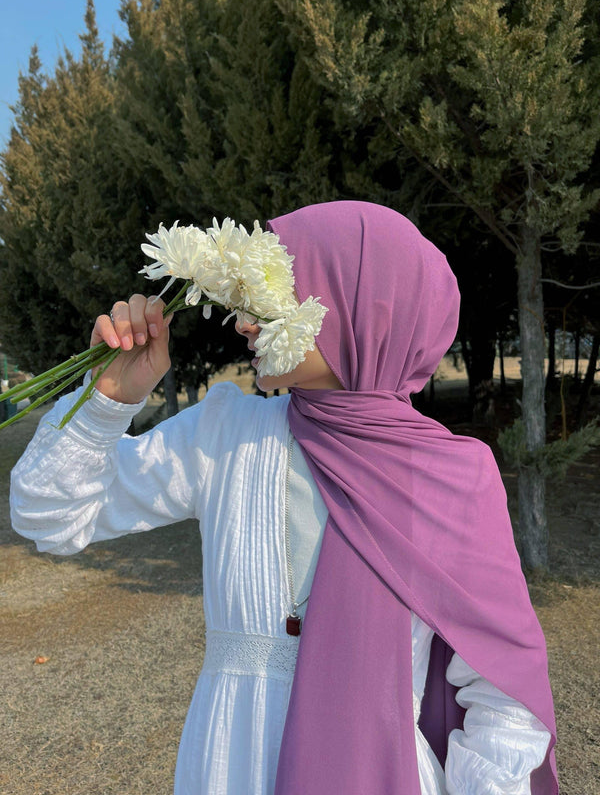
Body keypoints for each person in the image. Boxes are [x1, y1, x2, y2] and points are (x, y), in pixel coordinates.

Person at [10, 201, 557, 795]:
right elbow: (51, 516)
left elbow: (503, 698)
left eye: (275, 294)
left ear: (358, 310)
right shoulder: (225, 436)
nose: (245, 322)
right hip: (224, 772)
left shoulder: (452, 478)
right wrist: (108, 399)